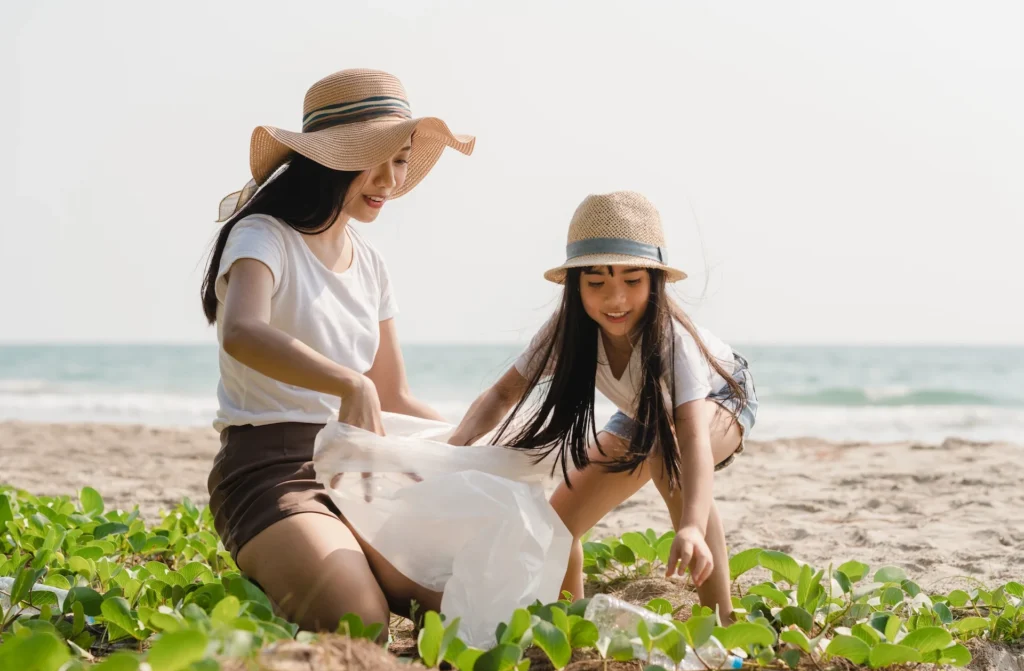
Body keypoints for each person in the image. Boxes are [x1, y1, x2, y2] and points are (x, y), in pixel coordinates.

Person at [200, 68, 474, 633]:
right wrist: (349, 383)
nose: (389, 180)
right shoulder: (264, 235)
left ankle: (320, 559)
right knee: (362, 621)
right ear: (326, 158)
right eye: (372, 159)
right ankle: (288, 557)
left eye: (400, 159)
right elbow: (240, 331)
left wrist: (476, 442)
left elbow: (394, 394)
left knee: (469, 600)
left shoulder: (370, 262)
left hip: (362, 469)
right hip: (269, 470)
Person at [448, 191, 756, 623]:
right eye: (597, 284)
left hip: (719, 397)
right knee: (557, 527)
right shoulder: (565, 333)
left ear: (655, 281)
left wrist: (690, 524)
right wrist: (457, 445)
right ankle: (572, 621)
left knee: (667, 452)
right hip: (643, 413)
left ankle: (722, 620)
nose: (615, 300)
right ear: (576, 285)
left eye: (632, 281)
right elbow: (502, 395)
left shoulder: (673, 340)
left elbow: (690, 434)